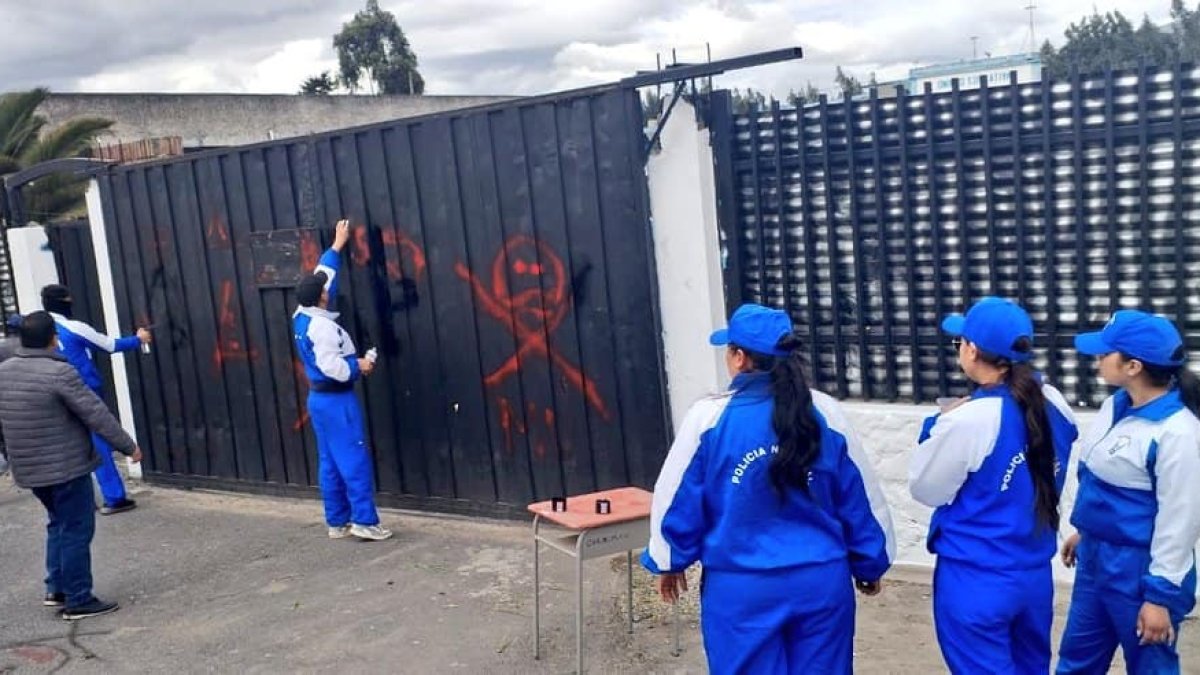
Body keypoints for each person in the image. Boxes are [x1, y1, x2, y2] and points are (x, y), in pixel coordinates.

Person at [642, 303, 895, 674]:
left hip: (742, 590)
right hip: (821, 585)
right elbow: (861, 499)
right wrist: (869, 563)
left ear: (740, 358)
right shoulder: (827, 413)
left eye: (728, 350)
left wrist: (670, 560)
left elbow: (678, 498)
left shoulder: (708, 419)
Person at [908, 296, 1079, 674]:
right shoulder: (1053, 400)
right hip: (1033, 574)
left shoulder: (969, 420)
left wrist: (934, 426)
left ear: (971, 350)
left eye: (959, 343)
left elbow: (927, 489)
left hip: (976, 576)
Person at [1056, 310, 1200, 674]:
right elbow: (1103, 481)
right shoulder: (1115, 405)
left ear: (1133, 366)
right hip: (1096, 560)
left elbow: (1179, 521)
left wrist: (1159, 597)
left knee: (1149, 666)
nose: (1098, 359)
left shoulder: (1177, 432)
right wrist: (1086, 531)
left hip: (1140, 570)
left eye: (1106, 353)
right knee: (1076, 662)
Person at [0, 311, 143, 620]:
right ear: (53, 338)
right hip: (66, 467)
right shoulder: (59, 372)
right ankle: (78, 598)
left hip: (30, 470)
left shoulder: (5, 371)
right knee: (77, 527)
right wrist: (128, 446)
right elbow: (96, 414)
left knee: (57, 523)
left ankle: (57, 589)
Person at [293, 219, 390, 542]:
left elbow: (325, 275)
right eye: (324, 291)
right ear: (321, 298)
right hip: (337, 399)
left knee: (330, 462)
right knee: (353, 458)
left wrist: (336, 245)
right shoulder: (321, 329)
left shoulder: (302, 315)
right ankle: (365, 520)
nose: (327, 291)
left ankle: (337, 521)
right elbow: (333, 367)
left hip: (319, 401)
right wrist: (358, 365)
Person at [41, 284, 151, 515]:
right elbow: (110, 345)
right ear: (64, 301)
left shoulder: (36, 327)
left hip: (49, 394)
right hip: (83, 391)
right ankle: (115, 497)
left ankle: (78, 501)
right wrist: (138, 339)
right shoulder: (73, 327)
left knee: (67, 444)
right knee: (98, 442)